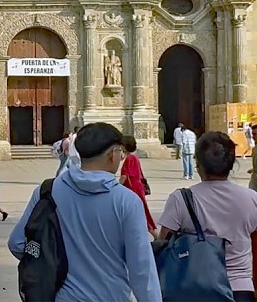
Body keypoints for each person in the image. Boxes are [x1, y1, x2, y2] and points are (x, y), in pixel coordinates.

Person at [8, 123, 160, 302]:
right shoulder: (127, 201)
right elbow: (142, 269)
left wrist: (48, 262)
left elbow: (17, 243)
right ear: (113, 154)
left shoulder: (47, 191)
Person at [157, 131, 257, 302]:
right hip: (239, 288)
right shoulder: (252, 199)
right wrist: (256, 287)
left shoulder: (180, 199)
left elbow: (164, 248)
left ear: (198, 164)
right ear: (232, 163)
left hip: (192, 287)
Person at [117, 135, 155, 233]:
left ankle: (155, 234)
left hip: (133, 188)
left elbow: (124, 176)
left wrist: (116, 186)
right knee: (142, 211)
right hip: (137, 187)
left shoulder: (130, 159)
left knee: (140, 212)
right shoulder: (133, 157)